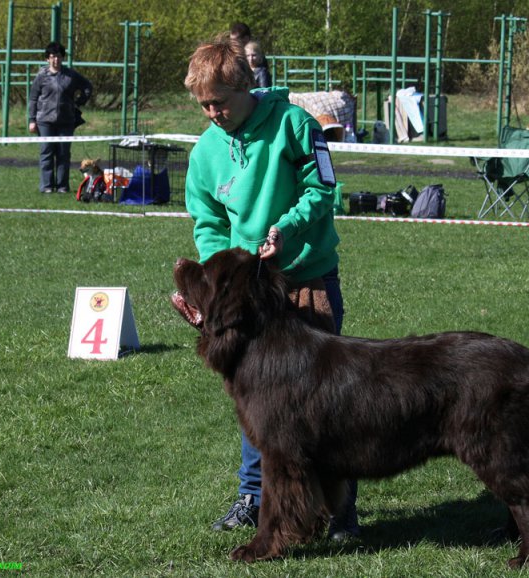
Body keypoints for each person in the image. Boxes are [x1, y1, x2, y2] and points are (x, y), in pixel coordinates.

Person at [183, 34, 360, 540]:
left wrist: (288, 229)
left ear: (245, 86)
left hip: (307, 277)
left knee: (327, 400)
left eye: (219, 102)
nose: (212, 113)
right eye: (204, 106)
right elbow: (208, 221)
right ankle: (254, 498)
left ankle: (341, 511)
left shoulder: (296, 125)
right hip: (251, 295)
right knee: (256, 396)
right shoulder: (205, 152)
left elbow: (323, 188)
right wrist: (221, 275)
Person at [28, 41, 93, 194]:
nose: (55, 60)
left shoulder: (71, 75)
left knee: (63, 154)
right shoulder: (41, 76)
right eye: (52, 57)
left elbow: (87, 87)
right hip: (44, 121)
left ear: (62, 58)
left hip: (66, 121)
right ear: (47, 59)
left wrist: (79, 102)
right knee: (46, 152)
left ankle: (62, 186)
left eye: (58, 56)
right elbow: (33, 98)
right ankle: (47, 186)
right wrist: (32, 120)